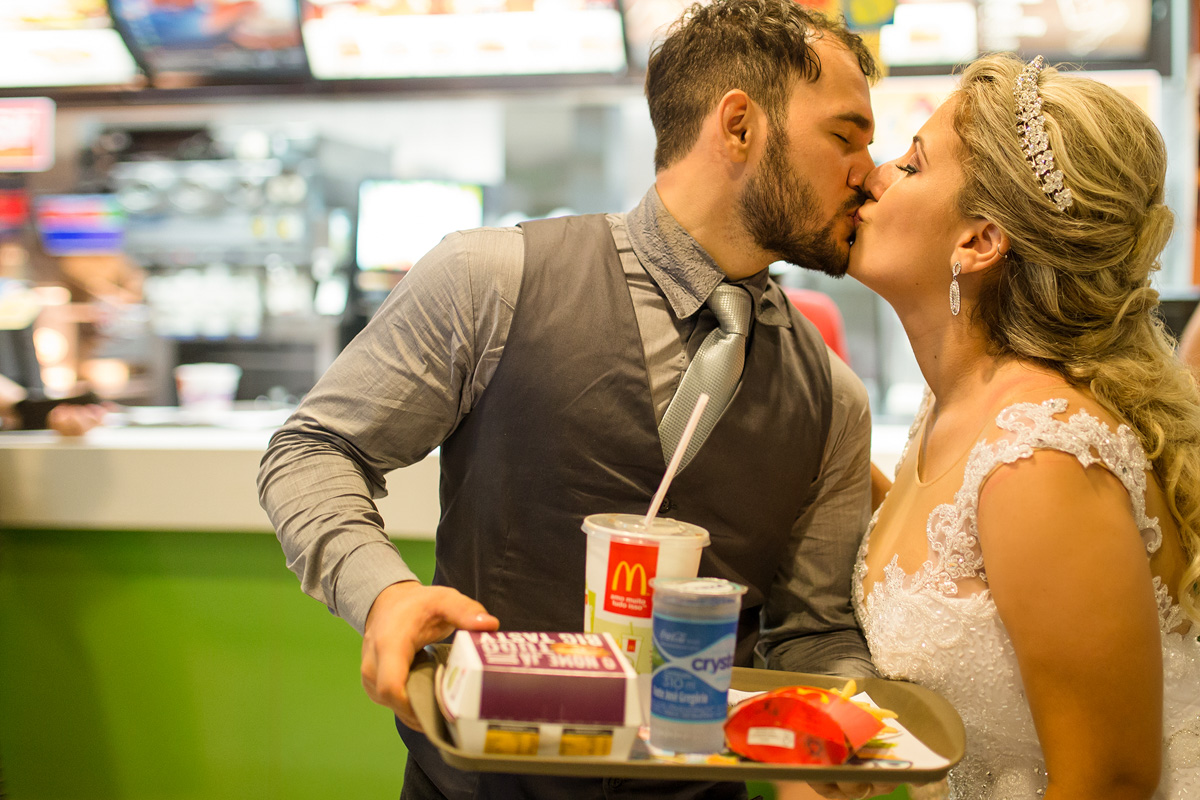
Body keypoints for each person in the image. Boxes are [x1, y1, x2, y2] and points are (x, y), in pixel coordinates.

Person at [258, 1, 881, 797]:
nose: (871, 168)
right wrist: (383, 592)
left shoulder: (832, 398)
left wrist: (844, 727)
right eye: (846, 134)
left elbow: (813, 632)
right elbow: (313, 449)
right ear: (737, 127)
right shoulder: (490, 280)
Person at [850, 53, 1200, 799]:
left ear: (978, 241)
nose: (875, 174)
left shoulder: (1038, 457)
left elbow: (1108, 783)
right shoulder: (955, 410)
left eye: (912, 164)